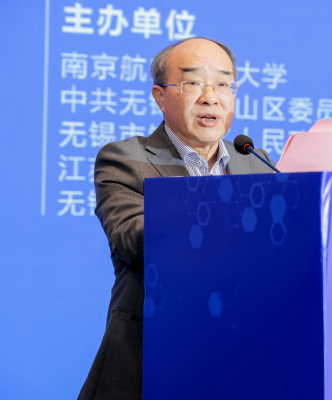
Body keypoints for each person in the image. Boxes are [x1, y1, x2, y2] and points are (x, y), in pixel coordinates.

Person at [78, 37, 275, 400]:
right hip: (152, 359)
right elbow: (134, 240)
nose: (210, 97)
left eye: (223, 84)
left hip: (241, 354)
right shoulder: (125, 158)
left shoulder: (255, 161)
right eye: (193, 82)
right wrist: (226, 213)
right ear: (160, 96)